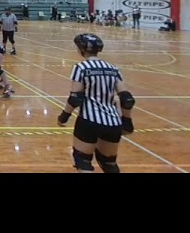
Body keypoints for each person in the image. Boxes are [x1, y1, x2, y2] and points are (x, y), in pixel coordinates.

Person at [56, 33, 135, 173]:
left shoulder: (81, 67)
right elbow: (126, 98)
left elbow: (75, 98)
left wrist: (64, 116)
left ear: (81, 49)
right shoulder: (113, 68)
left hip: (89, 121)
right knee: (109, 163)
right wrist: (127, 121)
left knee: (83, 160)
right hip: (113, 123)